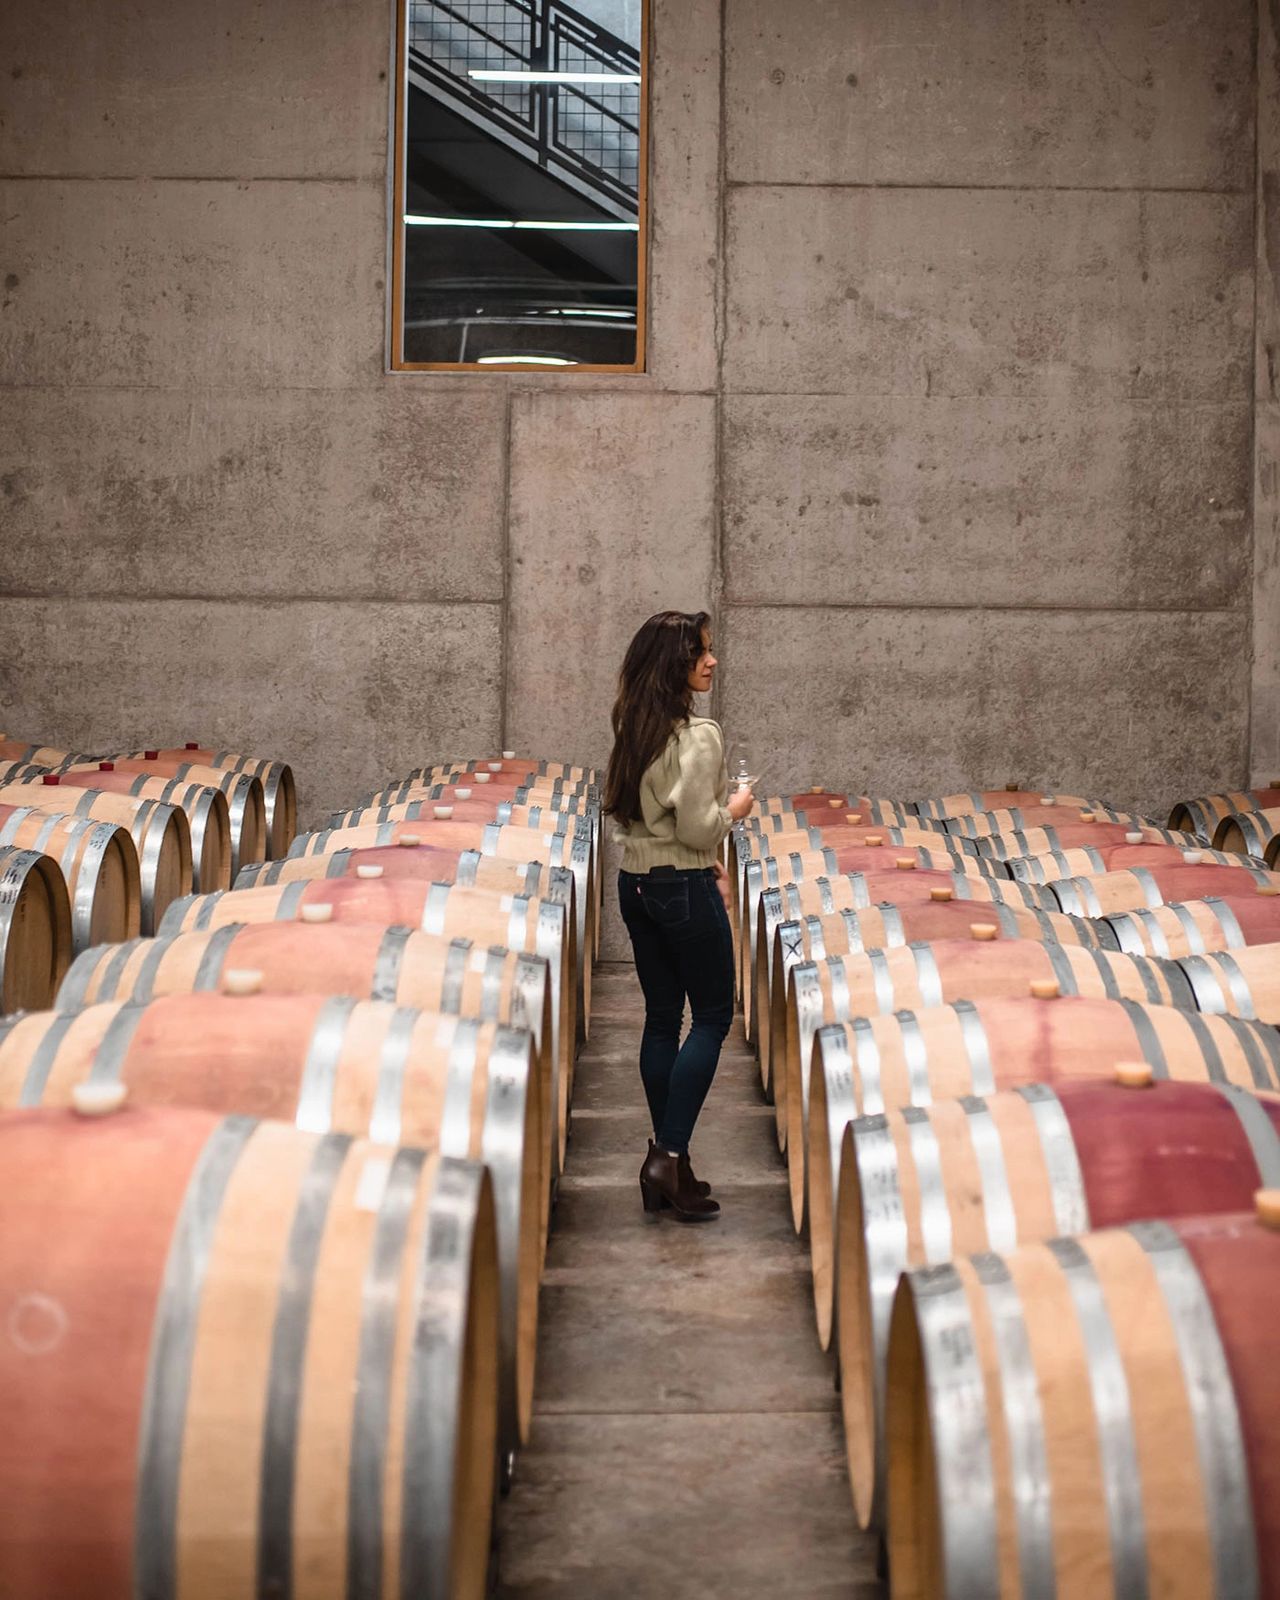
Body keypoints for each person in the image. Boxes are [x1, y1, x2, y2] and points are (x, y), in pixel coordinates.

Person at [602, 610, 756, 1222]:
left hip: (636, 884)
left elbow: (644, 819)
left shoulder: (633, 727)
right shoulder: (699, 736)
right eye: (702, 652)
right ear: (676, 665)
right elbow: (697, 825)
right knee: (715, 1016)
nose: (712, 661)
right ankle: (668, 1155)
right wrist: (735, 809)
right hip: (680, 886)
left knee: (664, 1018)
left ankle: (671, 1163)